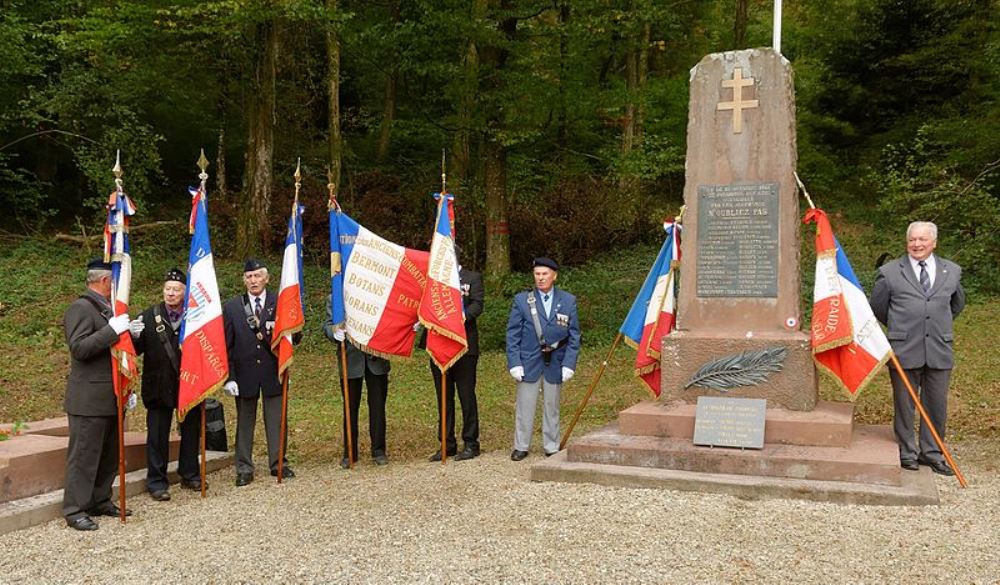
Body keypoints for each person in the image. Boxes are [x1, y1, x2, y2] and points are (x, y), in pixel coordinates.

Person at [870, 221, 965, 476]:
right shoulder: (889, 272)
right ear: (907, 242)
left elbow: (956, 305)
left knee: (936, 404)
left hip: (939, 347)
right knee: (905, 404)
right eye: (912, 240)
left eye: (922, 240)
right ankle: (906, 451)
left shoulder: (952, 271)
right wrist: (903, 327)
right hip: (904, 348)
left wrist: (933, 324)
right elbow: (879, 307)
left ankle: (932, 453)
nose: (917, 244)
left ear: (934, 242)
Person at [61, 258, 134, 530]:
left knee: (108, 455)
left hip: (111, 396)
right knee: (84, 456)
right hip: (89, 400)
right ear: (105, 281)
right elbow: (79, 348)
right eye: (114, 281)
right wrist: (112, 331)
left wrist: (131, 336)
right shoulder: (80, 308)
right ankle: (75, 508)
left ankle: (100, 499)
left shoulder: (106, 309)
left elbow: (113, 348)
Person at [129, 268, 202, 501]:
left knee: (190, 431)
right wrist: (133, 335)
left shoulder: (196, 316)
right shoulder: (149, 316)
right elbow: (134, 351)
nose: (171, 294)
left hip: (188, 383)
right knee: (157, 435)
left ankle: (189, 473)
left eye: (176, 290)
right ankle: (156, 481)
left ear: (185, 292)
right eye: (167, 289)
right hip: (158, 385)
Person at [222, 259, 294, 486]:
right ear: (244, 280)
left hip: (273, 370)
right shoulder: (233, 306)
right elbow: (227, 345)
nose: (253, 281)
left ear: (266, 278)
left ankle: (278, 462)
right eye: (249, 277)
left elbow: (296, 336)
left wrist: (285, 333)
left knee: (276, 420)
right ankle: (244, 468)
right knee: (245, 422)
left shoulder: (280, 302)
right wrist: (230, 377)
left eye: (257, 276)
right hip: (244, 373)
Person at [506, 257, 581, 461]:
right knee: (525, 406)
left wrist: (569, 364)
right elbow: (512, 334)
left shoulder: (567, 300)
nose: (540, 278)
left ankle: (551, 445)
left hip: (555, 362)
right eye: (537, 274)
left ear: (554, 276)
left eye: (545, 274)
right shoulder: (522, 300)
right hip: (528, 361)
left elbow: (574, 336)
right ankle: (521, 445)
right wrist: (514, 363)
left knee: (552, 406)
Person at [422, 247, 485, 461]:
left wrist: (458, 318)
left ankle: (470, 443)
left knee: (466, 396)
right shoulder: (432, 280)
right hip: (439, 345)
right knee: (443, 397)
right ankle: (446, 443)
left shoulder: (472, 278)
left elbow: (478, 305)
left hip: (464, 345)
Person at [323, 298, 391, 467]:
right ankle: (350, 452)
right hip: (351, 359)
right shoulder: (337, 294)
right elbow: (328, 325)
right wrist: (334, 333)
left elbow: (389, 317)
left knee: (377, 406)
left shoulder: (378, 288)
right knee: (350, 408)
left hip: (376, 356)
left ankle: (379, 450)